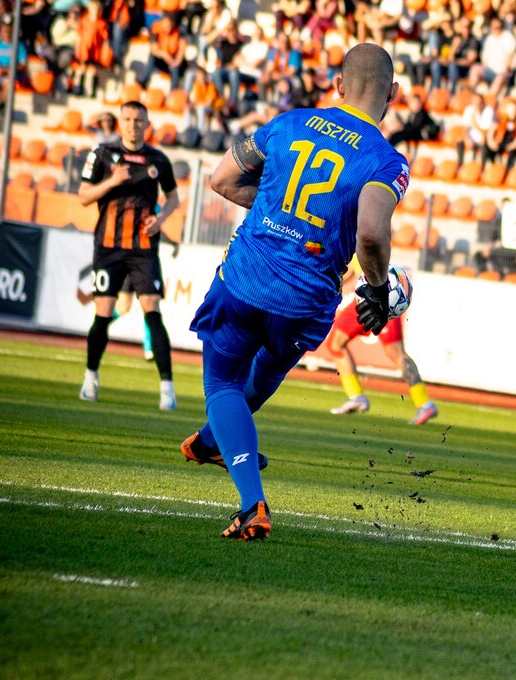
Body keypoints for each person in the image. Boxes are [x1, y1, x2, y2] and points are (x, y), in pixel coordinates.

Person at [181, 44, 408, 541]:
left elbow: (222, 180)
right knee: (265, 372)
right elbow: (371, 234)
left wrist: (273, 209)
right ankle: (212, 440)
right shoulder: (386, 160)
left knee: (222, 384)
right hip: (307, 298)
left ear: (339, 85)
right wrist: (376, 289)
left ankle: (252, 505)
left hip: (247, 276)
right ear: (393, 93)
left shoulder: (289, 122)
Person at [78, 101, 181, 411]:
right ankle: (90, 378)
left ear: (146, 124)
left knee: (152, 310)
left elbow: (173, 198)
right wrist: (112, 181)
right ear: (119, 122)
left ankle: (167, 389)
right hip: (108, 246)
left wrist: (160, 220)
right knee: (104, 313)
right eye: (127, 119)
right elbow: (83, 196)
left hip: (143, 248)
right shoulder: (102, 154)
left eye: (138, 120)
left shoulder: (158, 159)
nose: (133, 124)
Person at [328, 266, 438, 425]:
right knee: (335, 344)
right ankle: (356, 396)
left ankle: (424, 403)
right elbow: (353, 269)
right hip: (367, 298)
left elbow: (360, 266)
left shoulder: (361, 249)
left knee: (396, 353)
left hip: (382, 299)